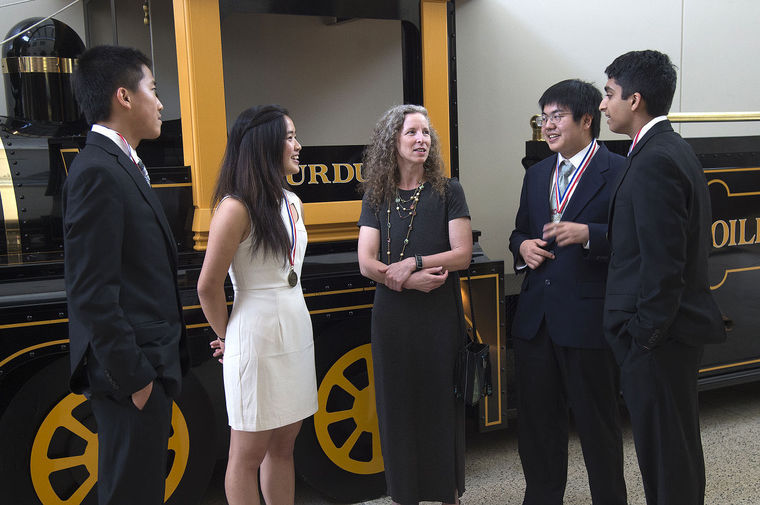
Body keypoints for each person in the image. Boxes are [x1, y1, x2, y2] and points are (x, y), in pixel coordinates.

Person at [600, 50, 726, 505]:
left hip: (658, 340)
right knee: (673, 450)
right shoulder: (670, 149)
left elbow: (664, 262)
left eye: (609, 94)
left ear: (635, 100)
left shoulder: (655, 158)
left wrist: (644, 336)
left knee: (667, 456)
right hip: (664, 337)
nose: (602, 104)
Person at [63, 46, 187, 505]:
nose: (160, 103)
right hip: (131, 376)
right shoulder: (98, 170)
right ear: (124, 97)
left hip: (146, 368)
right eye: (153, 90)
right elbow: (92, 291)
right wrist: (137, 380)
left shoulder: (123, 162)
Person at [508, 79, 627, 505]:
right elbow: (520, 229)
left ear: (586, 119)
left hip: (589, 322)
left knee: (598, 427)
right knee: (538, 428)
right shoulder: (538, 173)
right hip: (537, 320)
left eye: (557, 116)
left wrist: (589, 234)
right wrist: (522, 246)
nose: (548, 126)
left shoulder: (619, 170)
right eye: (544, 117)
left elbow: (634, 239)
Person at [197, 105, 317, 505]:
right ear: (263, 146)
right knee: (246, 454)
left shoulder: (292, 202)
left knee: (285, 445)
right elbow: (208, 286)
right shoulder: (234, 207)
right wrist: (227, 337)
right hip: (256, 333)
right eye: (289, 137)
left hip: (295, 325)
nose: (298, 146)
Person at [357, 104, 472, 505]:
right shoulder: (377, 194)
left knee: (440, 405)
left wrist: (415, 263)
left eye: (426, 133)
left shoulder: (447, 189)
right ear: (393, 141)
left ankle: (446, 496)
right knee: (397, 407)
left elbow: (461, 255)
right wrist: (409, 282)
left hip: (439, 317)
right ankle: (404, 495)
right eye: (412, 133)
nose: (422, 139)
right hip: (394, 317)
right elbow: (366, 262)